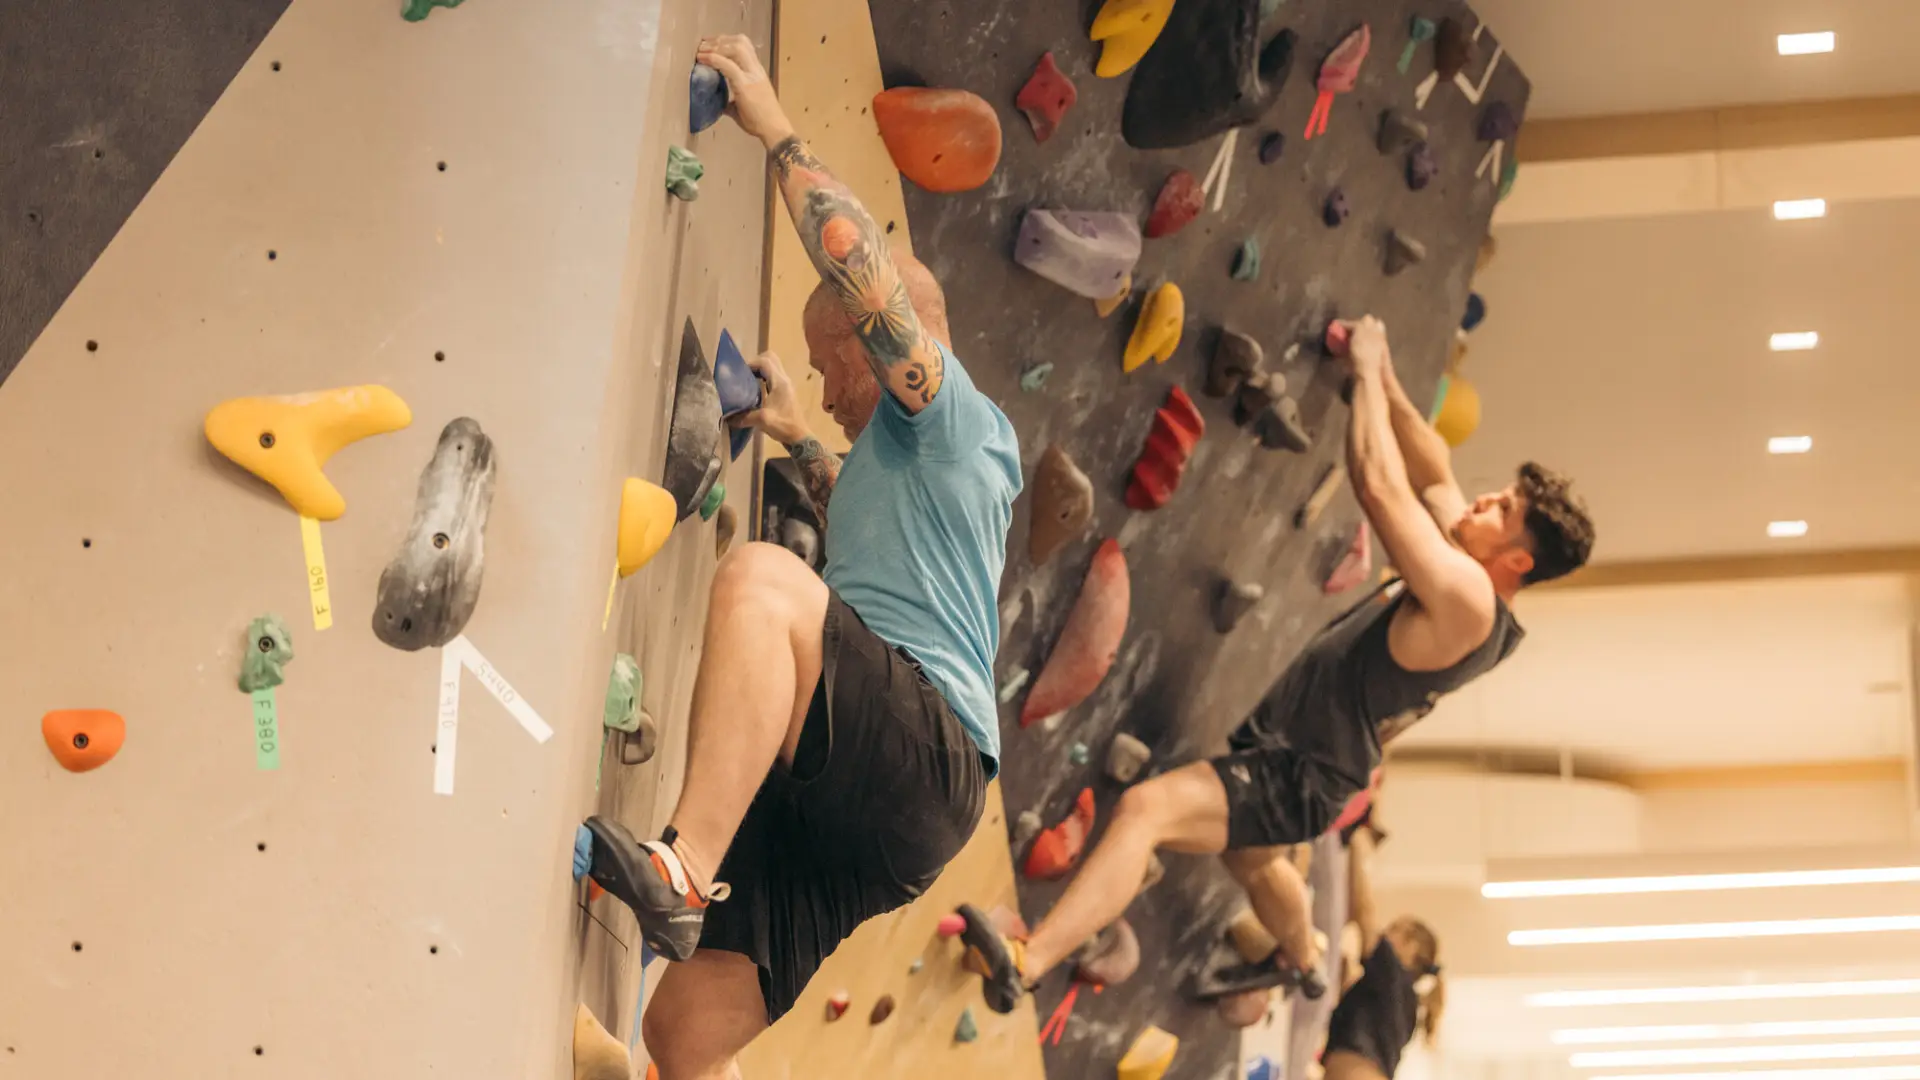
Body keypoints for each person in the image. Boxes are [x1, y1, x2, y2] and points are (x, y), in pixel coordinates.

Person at [583, 34, 1022, 1079]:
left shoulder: (955, 417)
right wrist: (797, 436)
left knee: (767, 584)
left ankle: (682, 869)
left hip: (925, 751)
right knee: (681, 1035)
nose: (829, 386)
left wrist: (774, 126)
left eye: (837, 366)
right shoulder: (909, 459)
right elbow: (878, 544)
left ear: (893, 346)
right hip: (879, 806)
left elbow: (856, 269)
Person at [964, 315, 1594, 1012]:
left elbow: (1382, 488)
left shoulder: (1469, 599)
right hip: (1302, 748)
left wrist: (1361, 377)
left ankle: (1026, 961)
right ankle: (1303, 958)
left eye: (1502, 508)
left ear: (1517, 562)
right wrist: (1380, 367)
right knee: (1251, 857)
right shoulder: (1472, 567)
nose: (1483, 499)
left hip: (1303, 770)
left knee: (1146, 810)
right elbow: (1435, 470)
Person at [1322, 915, 1447, 1080]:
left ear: (1411, 947)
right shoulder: (1405, 1004)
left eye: (1394, 928)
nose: (1385, 931)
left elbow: (1365, 916)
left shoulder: (1392, 973)